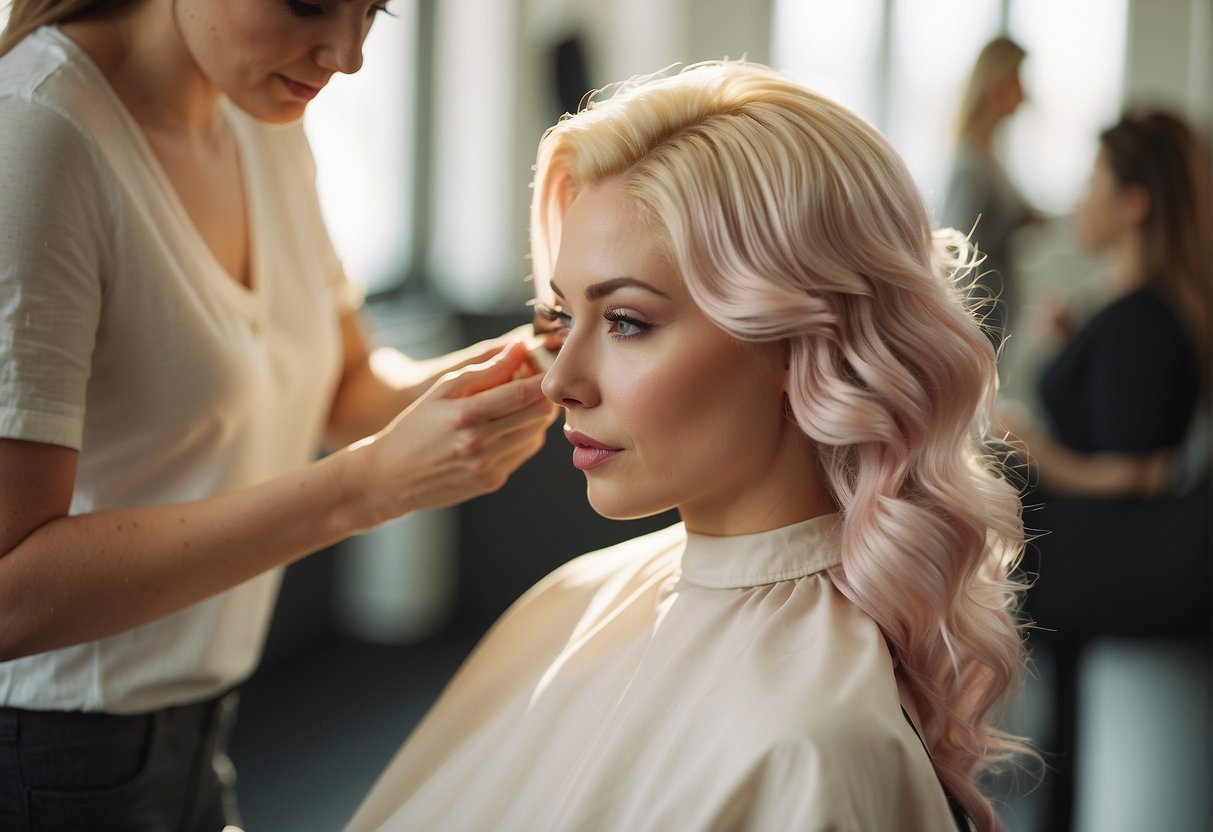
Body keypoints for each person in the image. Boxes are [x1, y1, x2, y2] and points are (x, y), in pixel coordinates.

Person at [345, 60, 1032, 832]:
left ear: (798, 343)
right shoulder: (575, 599)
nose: (559, 381)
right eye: (560, 318)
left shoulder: (806, 752)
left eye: (626, 322)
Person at [0, 1, 558, 829]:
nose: (349, 56)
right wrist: (364, 489)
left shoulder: (261, 115)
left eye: (372, 10)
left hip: (194, 728)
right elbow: (10, 592)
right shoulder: (36, 138)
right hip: (48, 751)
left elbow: (349, 389)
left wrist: (542, 353)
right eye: (308, 3)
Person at [1002, 110, 1211, 832]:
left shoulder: (1142, 318)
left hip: (1105, 553)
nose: (1079, 199)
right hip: (1089, 549)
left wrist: (1032, 448)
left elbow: (1135, 474)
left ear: (1133, 203)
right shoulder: (1130, 306)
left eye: (1094, 182)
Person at [940, 35, 1038, 351]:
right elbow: (958, 252)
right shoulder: (971, 166)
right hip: (977, 320)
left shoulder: (991, 159)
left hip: (992, 314)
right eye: (1018, 81)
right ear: (998, 85)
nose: (1025, 95)